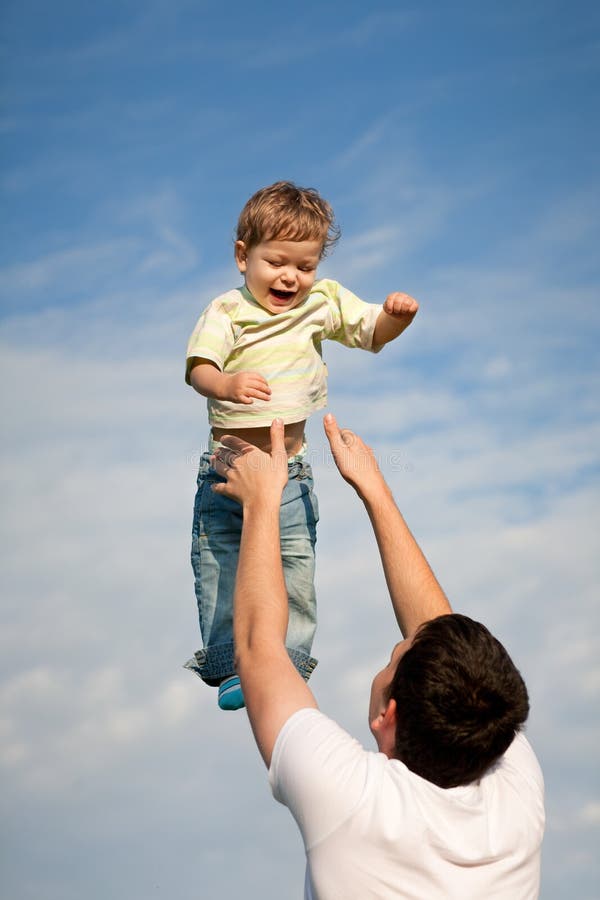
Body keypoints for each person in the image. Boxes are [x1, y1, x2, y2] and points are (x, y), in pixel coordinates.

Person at [209, 414, 545, 899]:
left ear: (388, 717)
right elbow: (441, 642)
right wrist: (374, 490)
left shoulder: (352, 801)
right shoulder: (513, 795)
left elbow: (258, 648)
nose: (402, 642)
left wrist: (261, 502)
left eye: (392, 658)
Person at [184, 181, 419, 709]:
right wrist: (225, 383)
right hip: (229, 467)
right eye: (276, 262)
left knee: (295, 563)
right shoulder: (228, 311)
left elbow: (370, 331)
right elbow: (199, 368)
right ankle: (230, 662)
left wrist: (396, 318)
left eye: (305, 265)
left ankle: (287, 663)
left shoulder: (321, 301)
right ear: (243, 257)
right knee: (221, 558)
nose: (291, 276)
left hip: (289, 469)